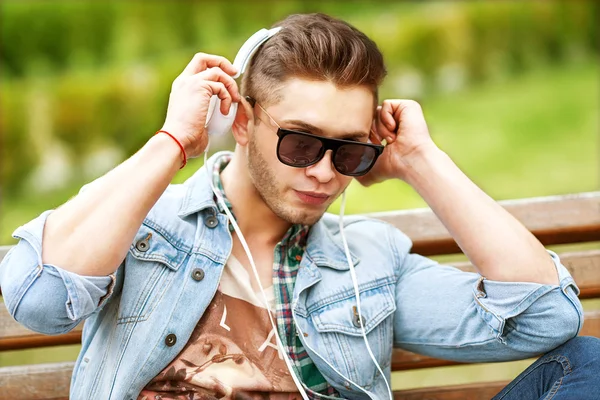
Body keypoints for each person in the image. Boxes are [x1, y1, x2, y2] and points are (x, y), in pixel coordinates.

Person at [0, 12, 598, 400]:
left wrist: (420, 160)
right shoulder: (142, 228)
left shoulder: (368, 262)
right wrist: (173, 143)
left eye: (349, 152)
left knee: (588, 365)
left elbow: (547, 318)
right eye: (302, 141)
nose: (322, 171)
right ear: (241, 118)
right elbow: (41, 301)